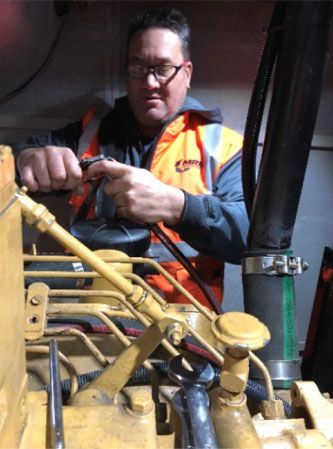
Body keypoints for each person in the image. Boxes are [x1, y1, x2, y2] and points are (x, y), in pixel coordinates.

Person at [12, 8, 248, 308]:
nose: (149, 82)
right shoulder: (90, 132)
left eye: (163, 68)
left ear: (186, 73)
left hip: (182, 330)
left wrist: (179, 207)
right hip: (89, 321)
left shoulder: (222, 146)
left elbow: (250, 240)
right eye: (138, 68)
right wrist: (27, 159)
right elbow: (13, 157)